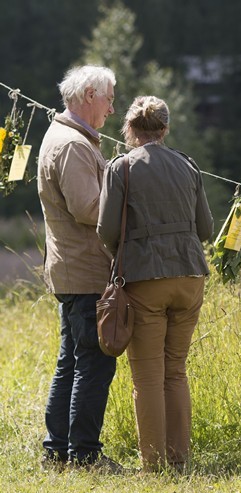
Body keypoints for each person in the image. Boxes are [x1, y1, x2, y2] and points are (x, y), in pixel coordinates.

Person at [97, 95, 213, 473]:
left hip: (146, 279)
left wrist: (128, 252)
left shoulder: (122, 168)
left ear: (130, 129)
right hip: (191, 276)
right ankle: (179, 461)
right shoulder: (188, 165)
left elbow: (106, 231)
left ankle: (155, 465)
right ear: (164, 129)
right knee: (175, 369)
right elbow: (206, 229)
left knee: (147, 374)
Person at [37, 65, 122, 472]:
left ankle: (57, 450)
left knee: (72, 359)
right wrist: (130, 203)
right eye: (109, 97)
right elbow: (88, 208)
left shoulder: (70, 137)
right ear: (89, 94)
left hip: (72, 268)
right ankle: (85, 455)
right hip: (85, 271)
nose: (111, 106)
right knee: (94, 361)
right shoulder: (73, 144)